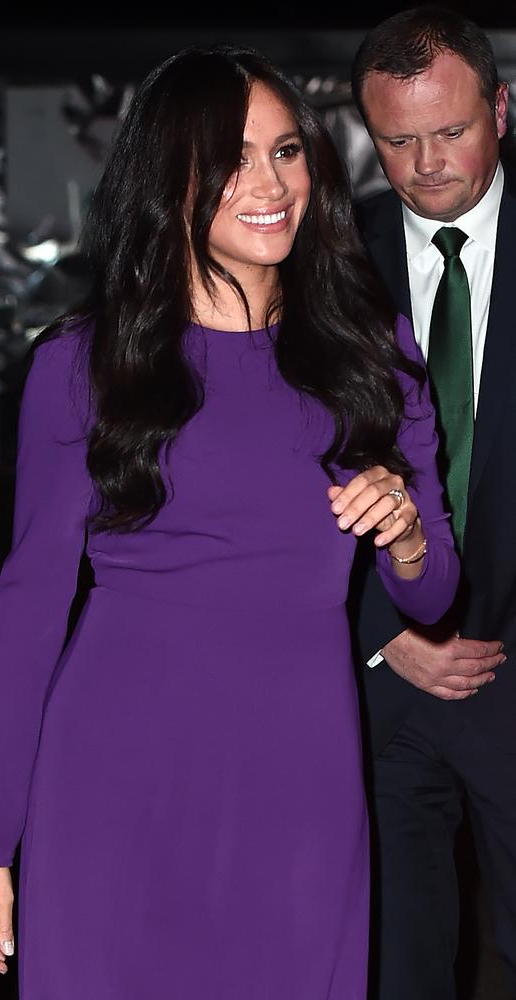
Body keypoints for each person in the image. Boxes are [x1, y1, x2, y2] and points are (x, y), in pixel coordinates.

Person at [0, 43, 458, 998]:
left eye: (286, 151)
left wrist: (408, 531)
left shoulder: (365, 350)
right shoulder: (85, 365)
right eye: (227, 158)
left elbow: (433, 594)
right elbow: (26, 611)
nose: (266, 184)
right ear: (167, 175)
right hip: (111, 774)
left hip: (302, 777)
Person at [349, 7, 516, 999]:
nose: (425, 164)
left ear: (499, 106)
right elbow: (287, 469)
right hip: (381, 682)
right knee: (397, 965)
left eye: (449, 130)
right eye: (396, 140)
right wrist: (380, 626)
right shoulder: (322, 260)